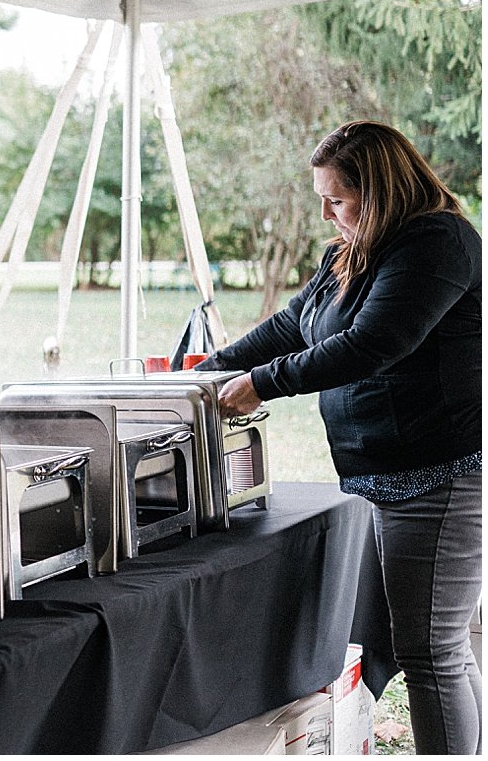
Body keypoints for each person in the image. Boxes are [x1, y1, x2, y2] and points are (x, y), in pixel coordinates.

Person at [196, 120, 481, 754]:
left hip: (439, 475)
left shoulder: (438, 242)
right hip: (373, 475)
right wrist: (211, 368)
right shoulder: (349, 252)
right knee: (426, 644)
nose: (327, 213)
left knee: (430, 651)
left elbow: (374, 344)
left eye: (338, 199)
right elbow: (294, 326)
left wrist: (261, 385)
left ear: (378, 192)